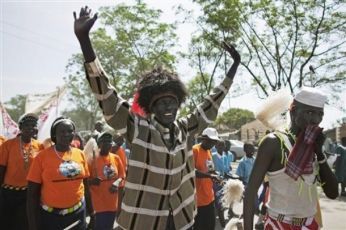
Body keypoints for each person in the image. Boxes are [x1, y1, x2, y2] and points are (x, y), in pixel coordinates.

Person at [74, 6, 240, 229]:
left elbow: (211, 102)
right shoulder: (138, 127)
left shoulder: (186, 128)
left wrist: (234, 67)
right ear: (151, 107)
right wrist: (85, 41)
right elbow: (107, 95)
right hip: (144, 220)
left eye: (171, 101)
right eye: (161, 103)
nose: (168, 106)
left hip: (181, 218)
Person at [243, 87, 338, 230]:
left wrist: (320, 154)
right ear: (293, 111)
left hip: (310, 225)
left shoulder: (314, 145)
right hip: (279, 224)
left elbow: (332, 193)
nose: (315, 120)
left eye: (320, 114)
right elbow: (250, 193)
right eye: (309, 112)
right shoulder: (273, 142)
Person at [26, 117, 92, 230]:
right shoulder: (41, 157)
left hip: (78, 214)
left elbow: (86, 186)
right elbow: (32, 195)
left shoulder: (80, 154)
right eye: (62, 131)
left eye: (70, 131)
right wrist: (33, 225)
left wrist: (92, 213)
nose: (66, 134)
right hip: (50, 217)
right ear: (54, 134)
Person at [0, 113, 43, 230]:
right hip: (8, 192)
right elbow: (1, 169)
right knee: (6, 222)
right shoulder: (7, 145)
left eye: (33, 125)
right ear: (20, 127)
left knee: (24, 224)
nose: (30, 128)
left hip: (29, 193)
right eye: (27, 125)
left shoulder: (40, 146)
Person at [88, 132, 126, 230]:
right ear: (99, 144)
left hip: (112, 203)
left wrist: (117, 182)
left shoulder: (116, 158)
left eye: (109, 141)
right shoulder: (92, 159)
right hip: (97, 204)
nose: (107, 144)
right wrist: (92, 181)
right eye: (104, 141)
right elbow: (84, 181)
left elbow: (122, 176)